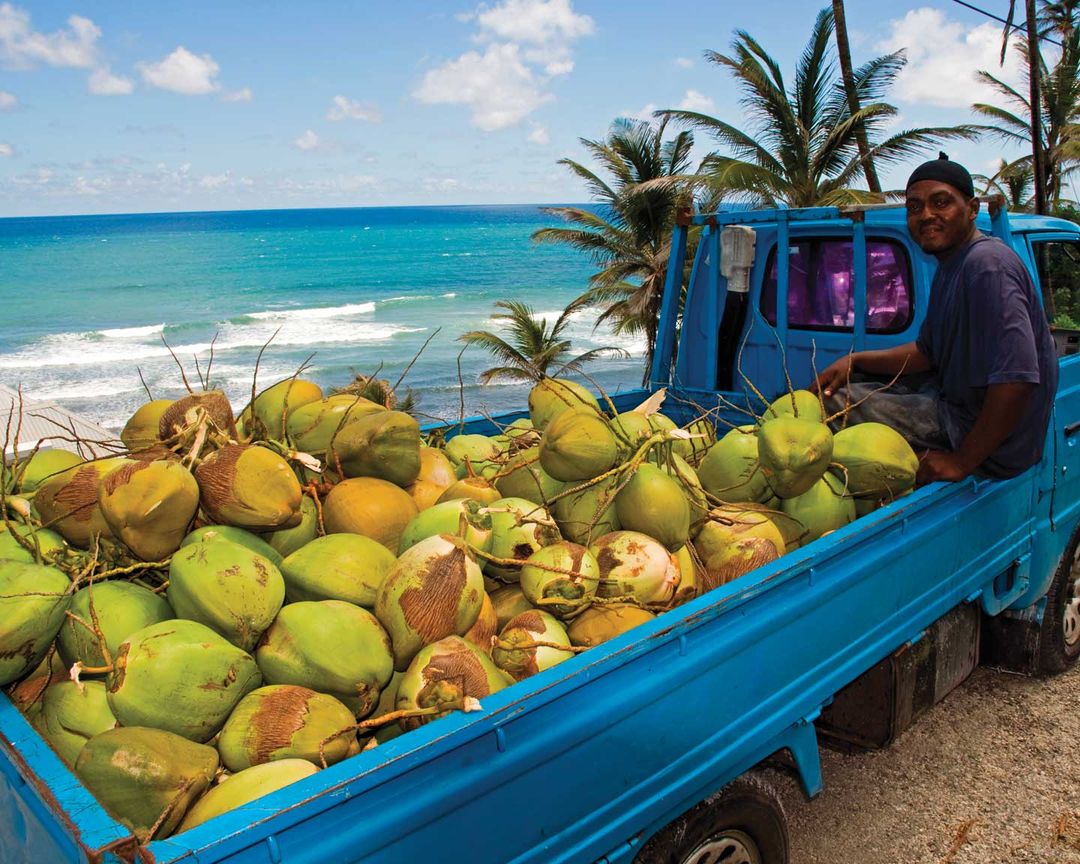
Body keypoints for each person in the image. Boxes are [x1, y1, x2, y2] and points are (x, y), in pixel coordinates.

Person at [811, 154, 1058, 484]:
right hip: (956, 406)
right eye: (914, 207)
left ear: (971, 209)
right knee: (836, 391)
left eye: (941, 202)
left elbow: (1018, 379)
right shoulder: (952, 265)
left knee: (826, 408)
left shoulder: (987, 266)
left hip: (983, 438)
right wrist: (854, 362)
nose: (926, 215)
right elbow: (928, 353)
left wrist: (961, 462)